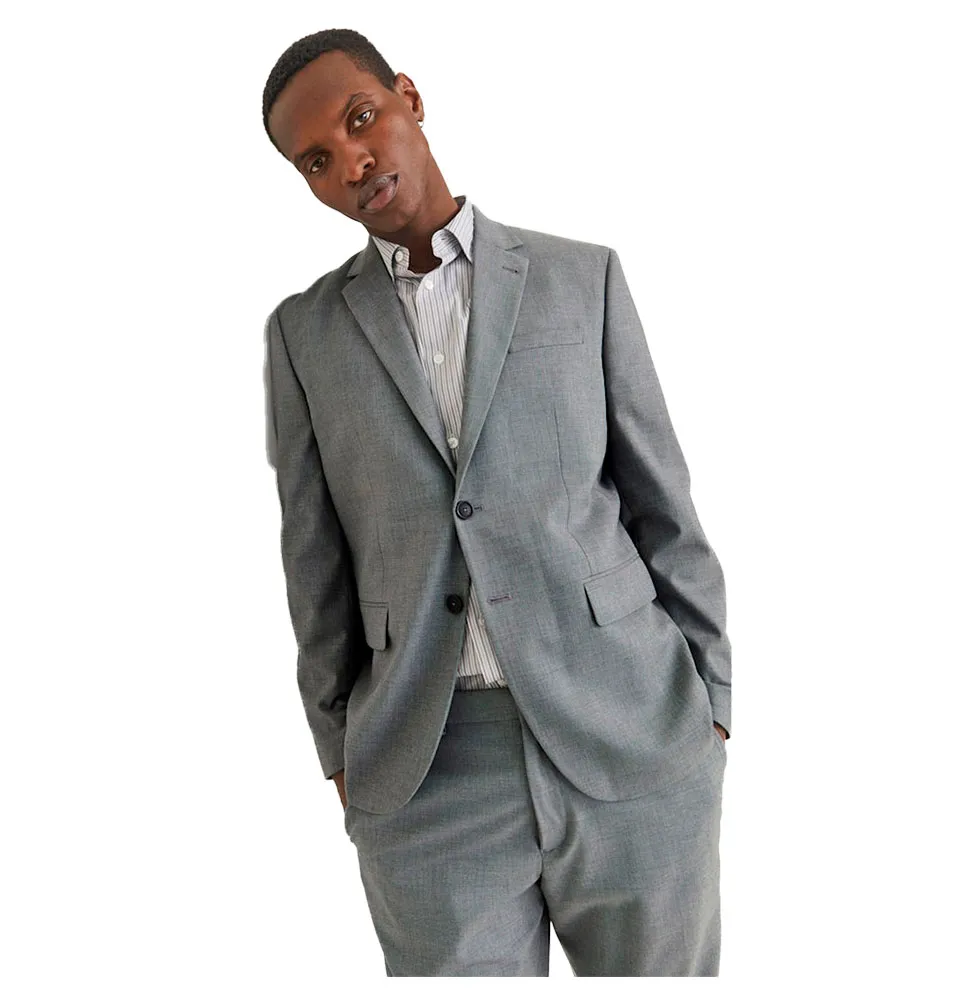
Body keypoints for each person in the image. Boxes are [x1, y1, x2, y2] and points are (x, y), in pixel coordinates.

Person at [261, 27, 732, 977]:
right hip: (428, 768)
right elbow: (313, 565)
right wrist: (340, 751)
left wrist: (710, 703)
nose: (352, 162)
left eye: (362, 119)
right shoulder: (303, 334)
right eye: (317, 160)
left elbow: (663, 506)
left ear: (409, 98)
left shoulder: (581, 278)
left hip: (631, 728)